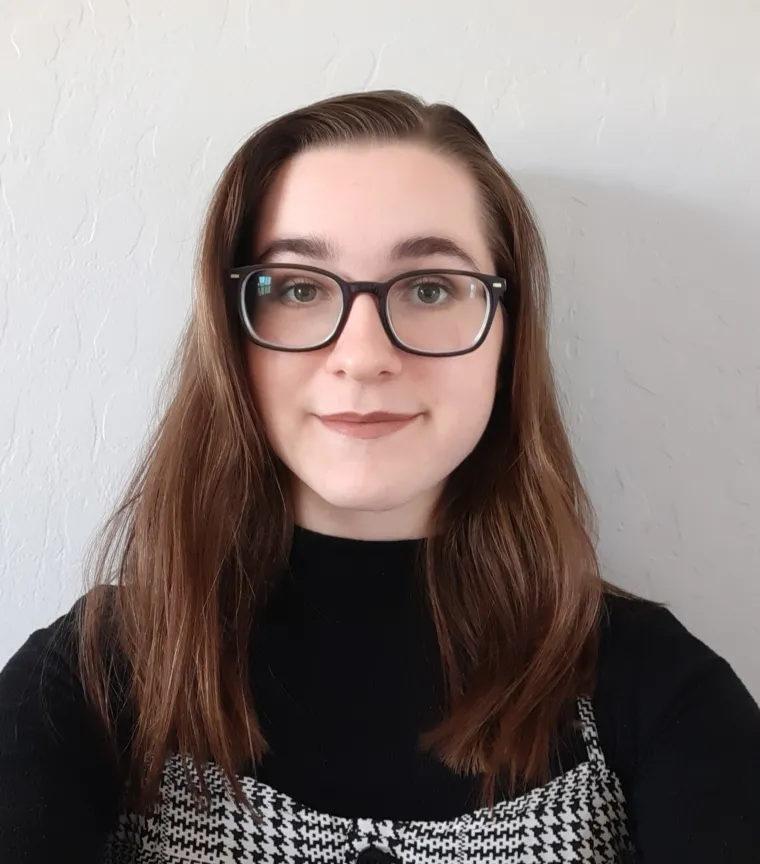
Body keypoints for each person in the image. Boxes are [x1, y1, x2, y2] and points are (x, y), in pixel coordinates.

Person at [1, 89, 759, 864]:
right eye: (297, 287)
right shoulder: (95, 676)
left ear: (508, 334)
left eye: (430, 288)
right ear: (232, 336)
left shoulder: (656, 688)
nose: (363, 356)